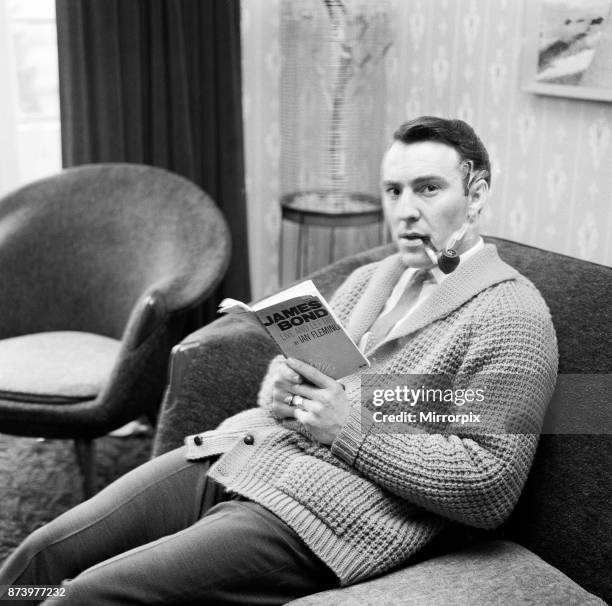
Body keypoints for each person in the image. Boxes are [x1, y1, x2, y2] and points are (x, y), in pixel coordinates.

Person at [0, 116, 558, 605]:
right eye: (394, 191)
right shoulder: (373, 278)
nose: (405, 212)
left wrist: (349, 426)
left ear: (477, 193)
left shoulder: (511, 318)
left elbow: (490, 486)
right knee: (39, 562)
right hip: (242, 453)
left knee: (83, 596)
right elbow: (324, 388)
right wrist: (287, 389)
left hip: (319, 518)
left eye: (428, 189)